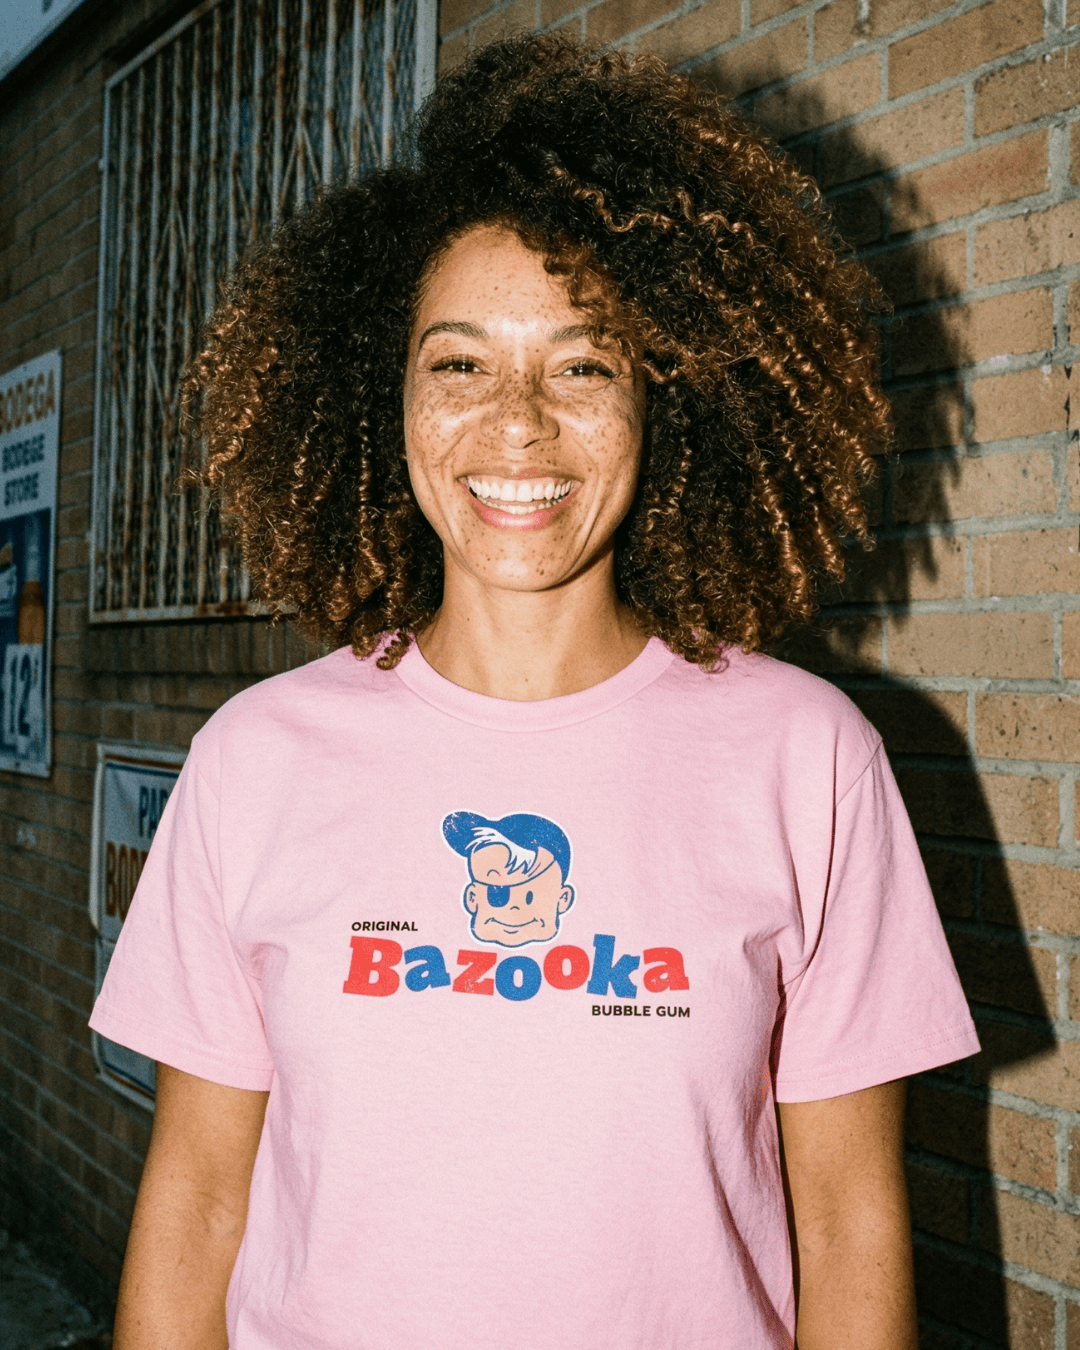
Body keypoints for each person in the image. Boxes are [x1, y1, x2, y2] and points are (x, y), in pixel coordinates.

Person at [91, 33, 979, 1350]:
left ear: (662, 398)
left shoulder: (809, 758)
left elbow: (848, 1218)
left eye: (583, 363)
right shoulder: (254, 759)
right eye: (459, 363)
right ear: (382, 396)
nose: (518, 424)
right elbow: (201, 1204)